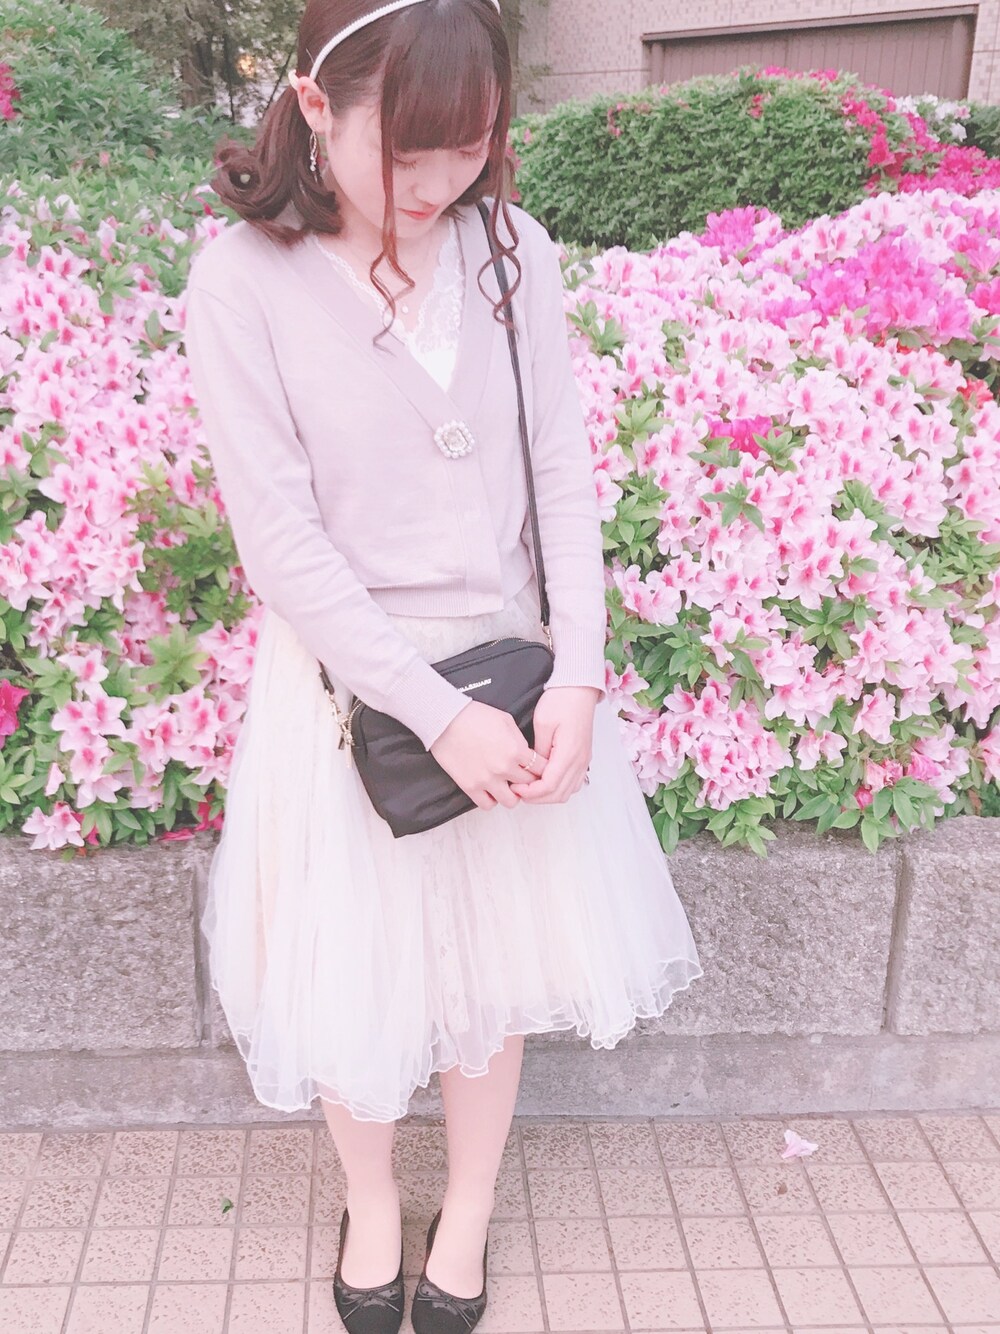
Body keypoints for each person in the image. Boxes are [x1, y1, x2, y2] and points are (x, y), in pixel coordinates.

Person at [182, 1, 703, 1330]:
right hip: (346, 692)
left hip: (510, 678)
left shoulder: (511, 249)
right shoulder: (242, 283)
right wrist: (427, 711)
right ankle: (371, 1198)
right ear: (315, 107)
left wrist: (578, 672)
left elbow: (563, 475)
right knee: (345, 965)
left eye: (466, 147)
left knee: (494, 962)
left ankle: (465, 1205)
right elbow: (282, 546)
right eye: (405, 152)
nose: (436, 184)